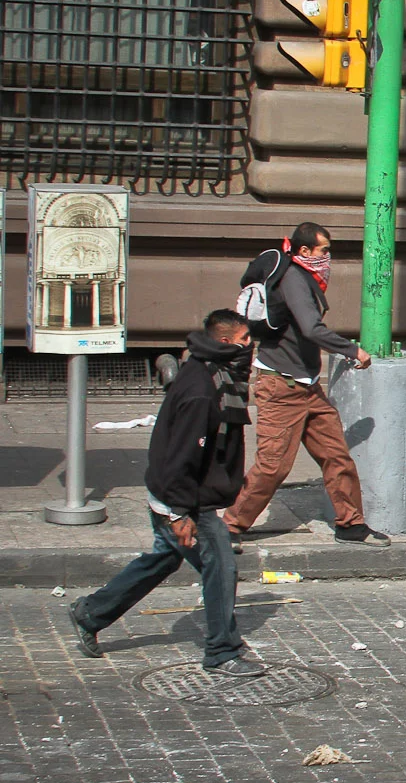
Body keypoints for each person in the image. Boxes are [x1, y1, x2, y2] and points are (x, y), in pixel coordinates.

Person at [68, 311, 266, 676]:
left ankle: (91, 613)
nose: (249, 347)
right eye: (244, 340)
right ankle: (222, 650)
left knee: (164, 559)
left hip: (177, 493)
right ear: (225, 343)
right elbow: (182, 456)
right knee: (220, 568)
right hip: (185, 500)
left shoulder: (207, 372)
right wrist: (179, 514)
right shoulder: (202, 392)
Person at [224, 222, 388, 547]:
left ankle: (350, 525)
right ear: (304, 251)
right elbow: (312, 329)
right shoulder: (294, 279)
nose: (328, 257)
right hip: (280, 388)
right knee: (273, 467)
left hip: (308, 387)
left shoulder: (304, 277)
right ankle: (228, 528)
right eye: (324, 250)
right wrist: (352, 349)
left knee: (336, 456)